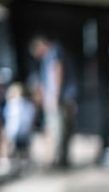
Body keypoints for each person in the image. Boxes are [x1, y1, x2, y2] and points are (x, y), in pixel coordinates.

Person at [30, 35, 77, 169]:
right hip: (64, 97)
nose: (39, 56)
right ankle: (62, 160)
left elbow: (57, 71)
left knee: (58, 129)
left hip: (60, 98)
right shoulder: (55, 52)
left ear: (40, 46)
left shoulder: (53, 52)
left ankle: (58, 160)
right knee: (63, 129)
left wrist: (54, 96)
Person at [4, 83, 36, 169]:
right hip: (20, 132)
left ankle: (18, 166)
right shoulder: (26, 105)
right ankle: (19, 166)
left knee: (19, 151)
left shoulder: (14, 105)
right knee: (20, 151)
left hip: (17, 132)